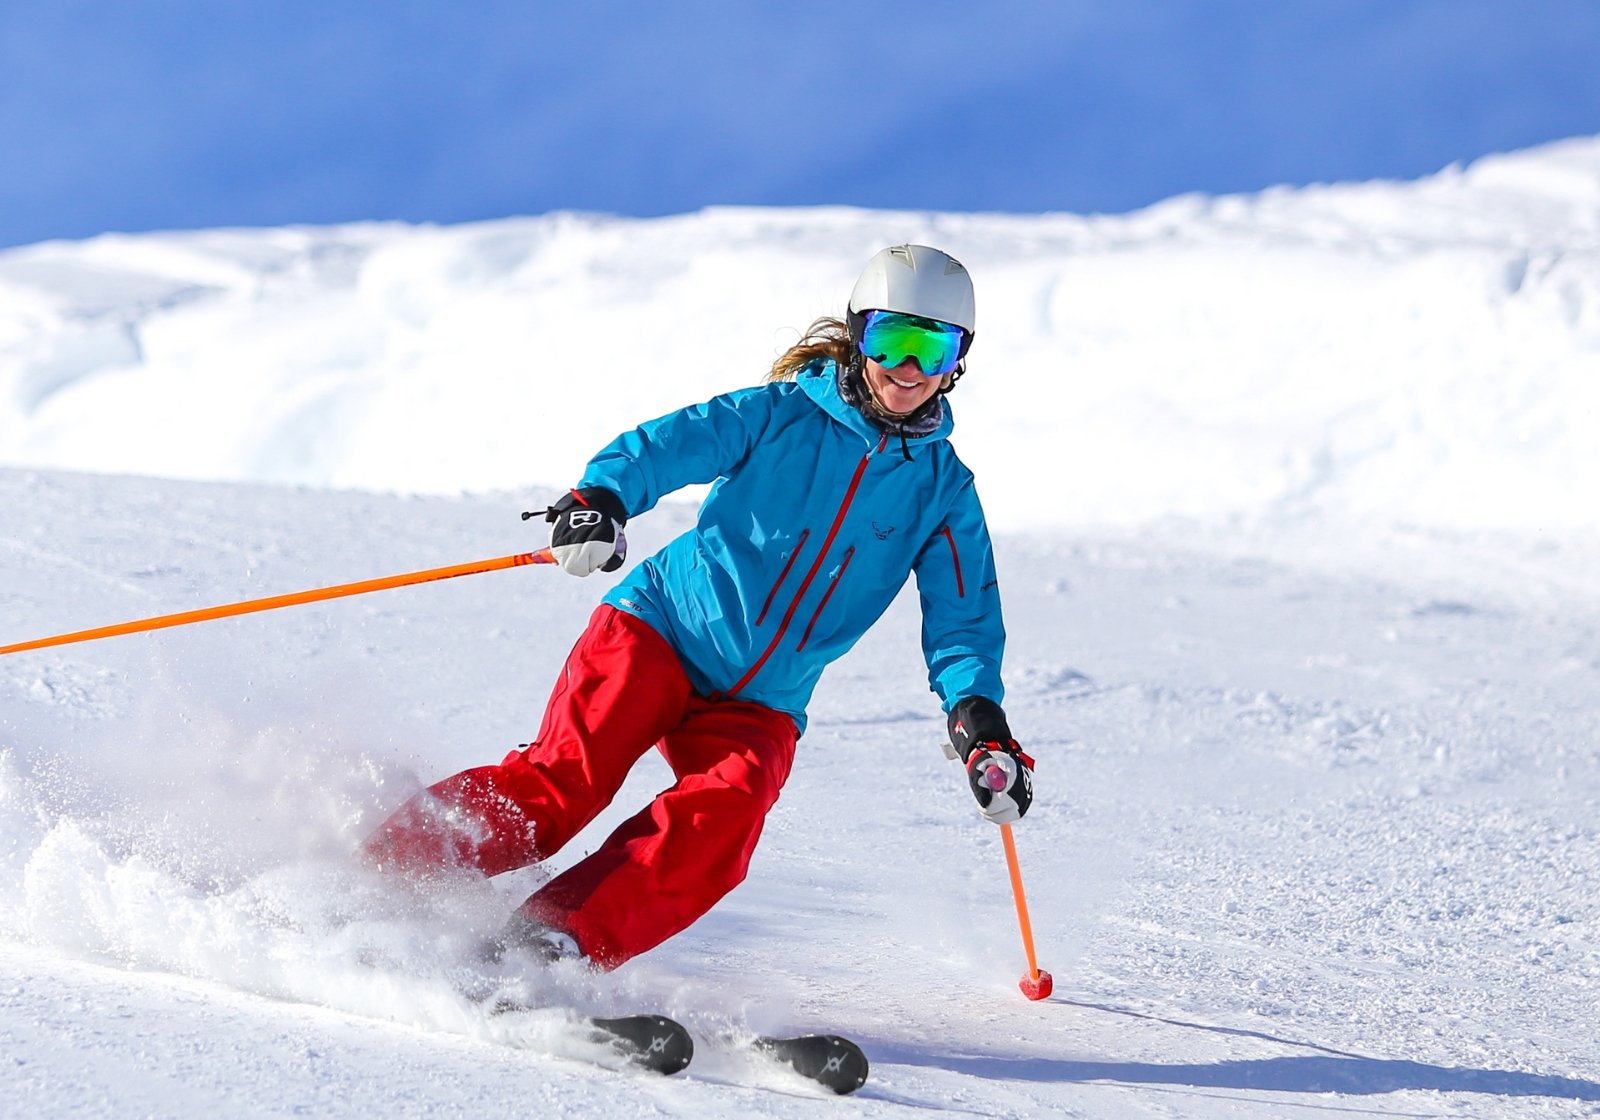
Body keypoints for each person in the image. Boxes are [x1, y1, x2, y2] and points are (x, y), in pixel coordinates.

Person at [361, 244, 1034, 971]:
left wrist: (980, 721)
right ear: (856, 334)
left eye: (931, 348)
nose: (908, 369)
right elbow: (668, 446)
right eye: (890, 340)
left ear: (958, 361)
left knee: (723, 821)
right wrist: (601, 500)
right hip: (661, 630)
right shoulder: (778, 415)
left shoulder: (944, 490)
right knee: (563, 786)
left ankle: (547, 948)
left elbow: (962, 617)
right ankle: (376, 871)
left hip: (763, 700)